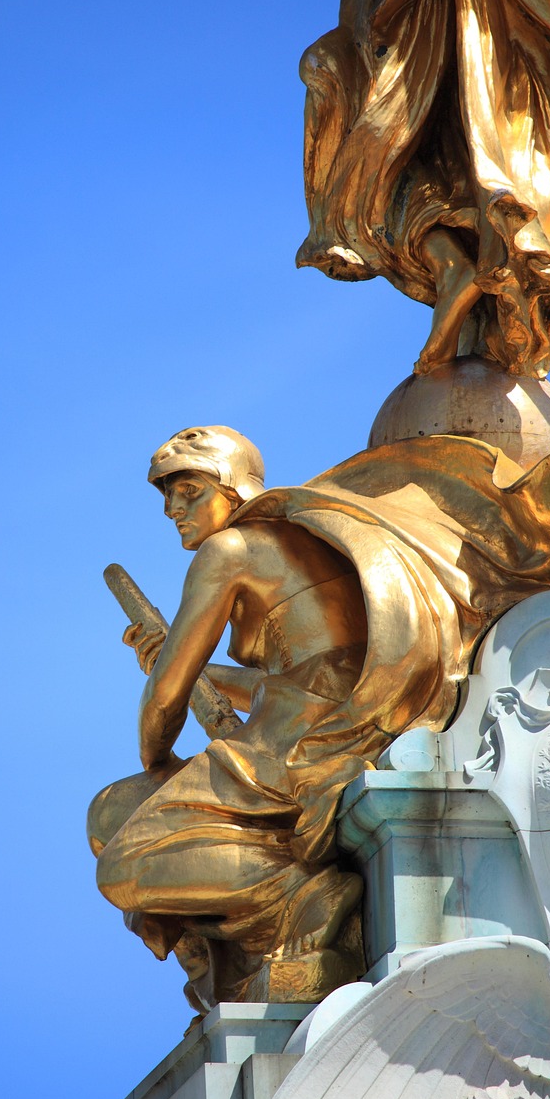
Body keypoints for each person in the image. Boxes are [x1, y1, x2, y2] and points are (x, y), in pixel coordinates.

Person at [88, 426, 367, 1010]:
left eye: (189, 491)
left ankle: (301, 894)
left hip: (308, 738)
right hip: (312, 715)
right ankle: (262, 923)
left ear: (234, 487)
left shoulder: (230, 549)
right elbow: (283, 683)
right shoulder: (291, 543)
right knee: (113, 814)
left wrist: (157, 757)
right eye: (168, 496)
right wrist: (181, 659)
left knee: (122, 867)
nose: (173, 508)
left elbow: (166, 699)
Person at [298, 0, 550, 377]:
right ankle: (453, 267)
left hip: (457, 0)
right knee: (404, 152)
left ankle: (453, 267)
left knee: (379, 152)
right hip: (431, 1)